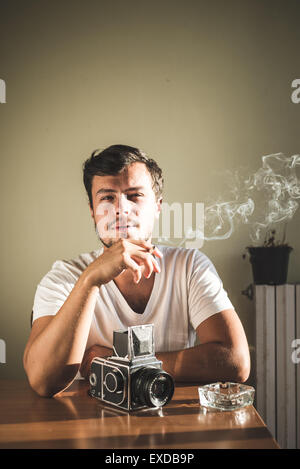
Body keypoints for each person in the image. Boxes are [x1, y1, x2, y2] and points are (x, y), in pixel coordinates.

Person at [23, 144, 250, 397]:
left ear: (158, 206)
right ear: (91, 210)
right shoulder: (64, 277)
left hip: (173, 424)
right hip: (88, 424)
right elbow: (42, 380)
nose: (121, 209)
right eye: (107, 198)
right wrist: (90, 281)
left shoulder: (190, 266)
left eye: (134, 196)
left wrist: (121, 362)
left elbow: (236, 361)